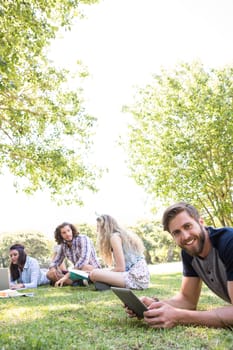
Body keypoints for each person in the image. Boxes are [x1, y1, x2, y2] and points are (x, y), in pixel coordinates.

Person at [125, 202, 233, 329]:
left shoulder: (229, 242)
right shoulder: (189, 252)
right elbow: (187, 300)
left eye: (188, 226)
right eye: (177, 232)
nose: (185, 236)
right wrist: (155, 305)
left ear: (201, 222)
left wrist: (178, 317)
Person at [89, 214, 150, 290]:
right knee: (96, 273)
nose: (97, 230)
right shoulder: (119, 235)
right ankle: (107, 284)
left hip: (136, 278)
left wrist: (105, 272)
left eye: (98, 227)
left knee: (94, 274)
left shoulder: (114, 237)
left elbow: (121, 268)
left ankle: (106, 283)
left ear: (105, 227)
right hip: (140, 277)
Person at [47, 222, 101, 287]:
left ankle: (71, 281)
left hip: (90, 269)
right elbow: (56, 261)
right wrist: (52, 268)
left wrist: (67, 276)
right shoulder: (63, 245)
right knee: (49, 274)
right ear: (60, 235)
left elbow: (83, 261)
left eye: (68, 231)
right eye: (64, 233)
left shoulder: (83, 239)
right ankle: (76, 283)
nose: (67, 234)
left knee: (85, 267)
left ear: (72, 230)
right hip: (76, 271)